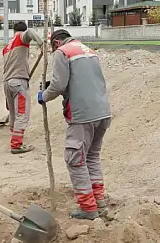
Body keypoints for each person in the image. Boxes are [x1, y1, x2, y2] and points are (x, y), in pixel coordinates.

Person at [37, 29, 111, 220]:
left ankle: (88, 208)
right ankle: (99, 200)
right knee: (92, 157)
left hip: (82, 114)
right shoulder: (88, 51)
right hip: (102, 112)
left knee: (75, 160)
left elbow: (59, 84)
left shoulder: (63, 52)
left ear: (55, 44)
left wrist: (44, 96)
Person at [3, 22, 44, 154]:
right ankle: (16, 145)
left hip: (7, 82)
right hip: (18, 81)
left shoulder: (6, 47)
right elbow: (31, 32)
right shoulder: (21, 37)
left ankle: (14, 139)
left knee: (13, 114)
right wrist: (42, 45)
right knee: (22, 113)